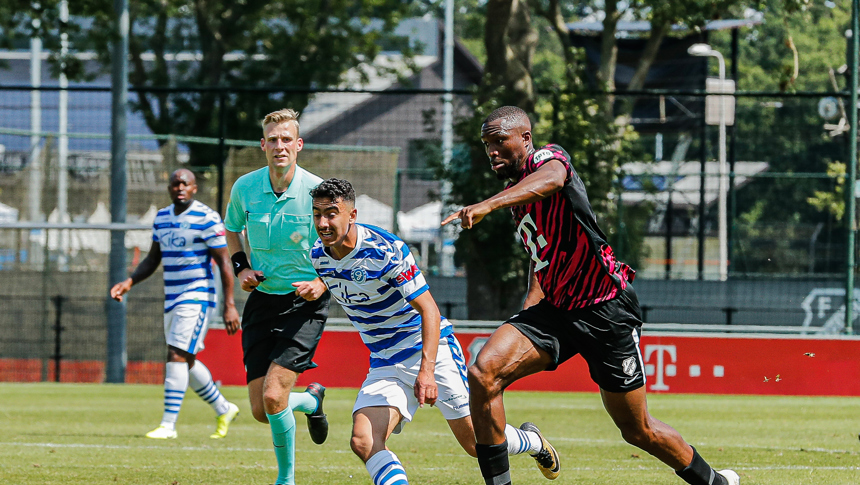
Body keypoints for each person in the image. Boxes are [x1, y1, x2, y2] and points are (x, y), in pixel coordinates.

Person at [441, 106, 740, 485]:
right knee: (483, 374)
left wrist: (487, 205)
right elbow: (542, 257)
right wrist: (530, 310)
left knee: (638, 430)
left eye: (500, 141)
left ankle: (714, 481)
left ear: (525, 138)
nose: (492, 152)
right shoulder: (514, 194)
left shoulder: (548, 159)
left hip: (606, 310)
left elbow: (551, 179)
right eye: (487, 145)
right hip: (558, 311)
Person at [297, 177, 560, 485]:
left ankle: (533, 442)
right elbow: (340, 276)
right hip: (385, 360)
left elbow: (430, 310)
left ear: (352, 215)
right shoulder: (318, 254)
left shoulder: (387, 250)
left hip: (430, 350)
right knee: (364, 441)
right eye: (317, 214)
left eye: (331, 213)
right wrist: (319, 285)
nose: (323, 222)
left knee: (478, 444)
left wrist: (427, 371)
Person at [224, 108, 330, 485]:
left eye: (287, 139)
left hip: (305, 303)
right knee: (259, 408)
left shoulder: (318, 192)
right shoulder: (245, 188)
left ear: (298, 145)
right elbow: (231, 231)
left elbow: (341, 245)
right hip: (263, 300)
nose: (280, 146)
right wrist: (242, 269)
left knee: (273, 397)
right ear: (262, 145)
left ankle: (285, 480)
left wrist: (323, 283)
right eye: (273, 139)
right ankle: (311, 400)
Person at [110, 169, 241, 440]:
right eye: (175, 183)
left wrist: (230, 304)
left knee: (176, 355)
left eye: (185, 183)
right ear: (169, 188)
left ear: (194, 188)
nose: (180, 187)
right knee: (187, 360)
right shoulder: (162, 217)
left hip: (197, 296)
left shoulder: (206, 217)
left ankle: (168, 425)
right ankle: (224, 408)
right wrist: (129, 282)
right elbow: (152, 258)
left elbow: (224, 262)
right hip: (172, 297)